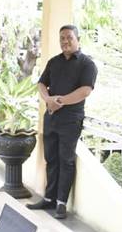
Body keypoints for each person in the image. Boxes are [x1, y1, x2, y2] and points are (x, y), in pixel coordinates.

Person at [26, 25, 97, 219]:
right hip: (51, 117)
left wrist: (60, 101)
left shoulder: (87, 64)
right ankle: (49, 198)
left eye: (69, 37)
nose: (65, 41)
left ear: (77, 39)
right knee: (51, 159)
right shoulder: (53, 62)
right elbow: (41, 83)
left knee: (66, 160)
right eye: (62, 38)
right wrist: (48, 100)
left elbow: (85, 91)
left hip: (70, 120)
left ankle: (61, 203)